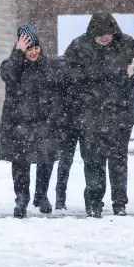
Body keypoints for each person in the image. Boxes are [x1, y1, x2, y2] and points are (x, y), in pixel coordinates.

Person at [62, 12, 134, 218]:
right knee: (93, 161)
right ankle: (94, 202)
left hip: (120, 114)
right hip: (90, 115)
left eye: (109, 33)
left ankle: (119, 202)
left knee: (118, 161)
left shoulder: (126, 43)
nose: (105, 38)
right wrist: (90, 78)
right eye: (100, 34)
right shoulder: (79, 46)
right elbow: (67, 71)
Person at [0, 25, 60, 218]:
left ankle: (41, 196)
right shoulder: (12, 64)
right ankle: (21, 198)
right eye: (29, 48)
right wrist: (18, 53)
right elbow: (8, 75)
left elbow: (57, 86)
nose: (33, 52)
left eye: (36, 48)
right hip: (19, 122)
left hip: (44, 121)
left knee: (46, 160)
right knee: (20, 163)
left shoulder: (48, 65)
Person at [54, 52, 82, 211]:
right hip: (73, 120)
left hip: (70, 120)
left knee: (66, 161)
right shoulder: (65, 66)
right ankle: (60, 197)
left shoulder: (60, 65)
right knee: (67, 161)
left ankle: (60, 197)